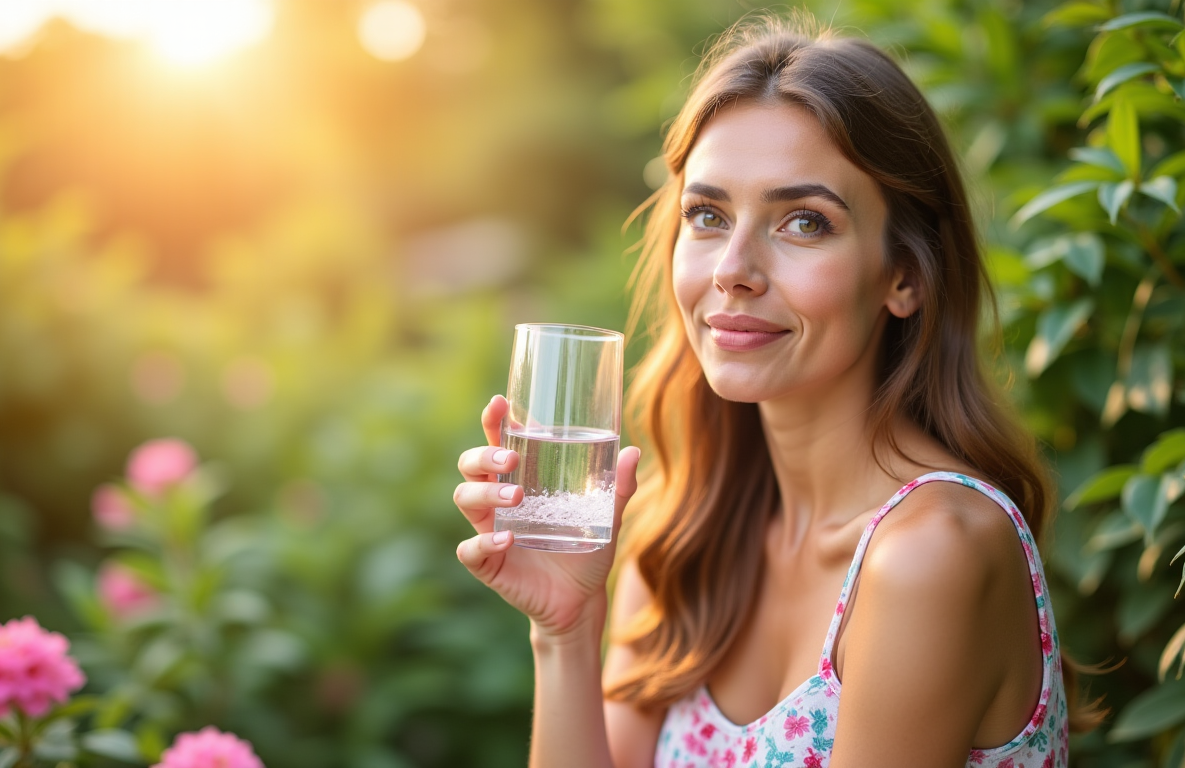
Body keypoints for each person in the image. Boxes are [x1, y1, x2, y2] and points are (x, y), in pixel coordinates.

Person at [453, 17, 1101, 768]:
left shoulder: (931, 553)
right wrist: (564, 631)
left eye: (803, 222)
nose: (734, 267)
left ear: (906, 276)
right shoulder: (684, 539)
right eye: (708, 215)